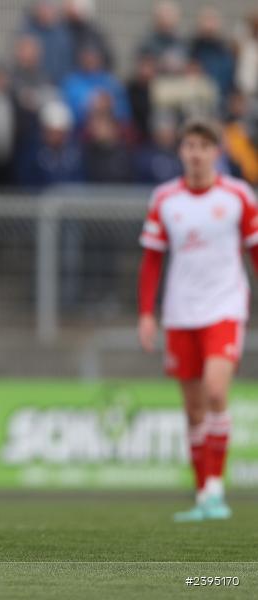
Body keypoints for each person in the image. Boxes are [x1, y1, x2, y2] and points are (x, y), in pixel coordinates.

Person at [138, 118, 258, 522]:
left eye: (203, 147)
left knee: (215, 391)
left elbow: (255, 251)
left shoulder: (239, 195)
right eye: (189, 146)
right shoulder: (165, 199)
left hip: (224, 307)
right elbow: (152, 260)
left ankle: (216, 490)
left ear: (216, 152)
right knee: (192, 409)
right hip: (180, 312)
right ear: (181, 152)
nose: (196, 153)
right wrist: (146, 313)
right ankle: (202, 492)